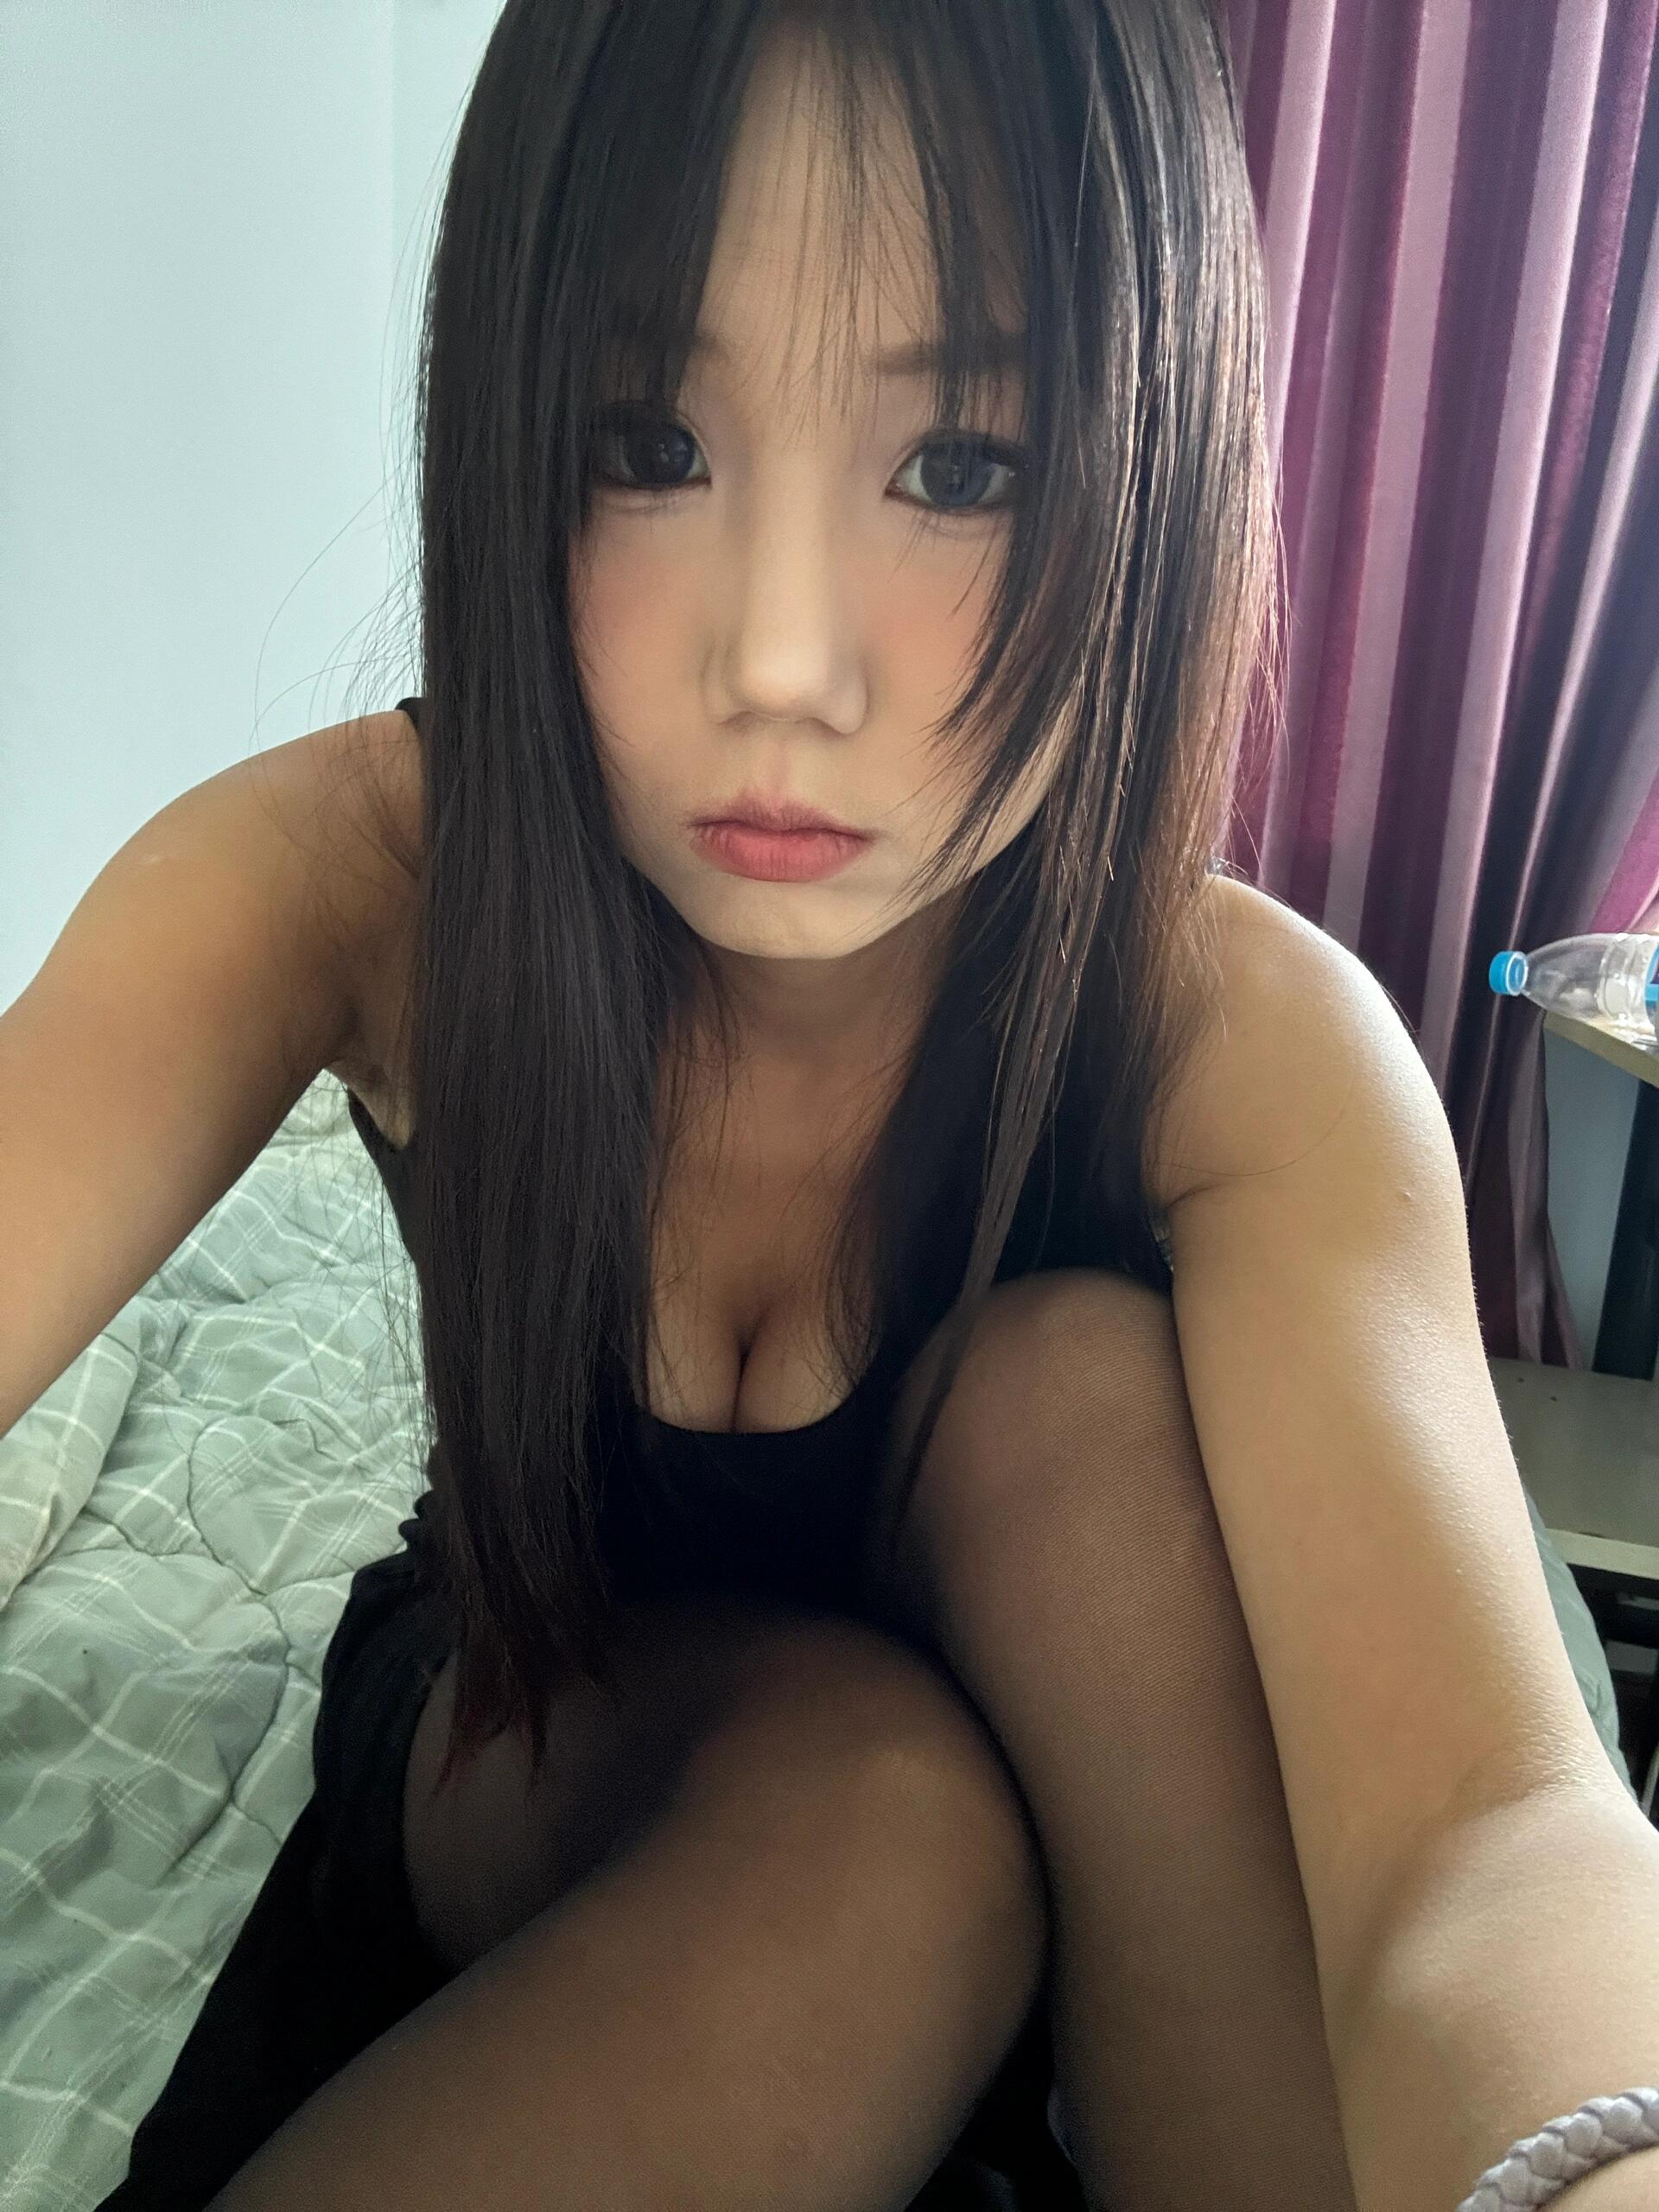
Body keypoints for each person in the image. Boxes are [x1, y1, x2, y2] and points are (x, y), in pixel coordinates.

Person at [4, 1, 1391, 2204]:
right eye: (650, 441)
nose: (781, 663)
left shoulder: (1236, 1030)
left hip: (1095, 1796)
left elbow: (1489, 1825)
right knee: (894, 1825)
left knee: (1081, 1407)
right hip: (538, 1728)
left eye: (961, 465)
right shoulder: (373, 875)